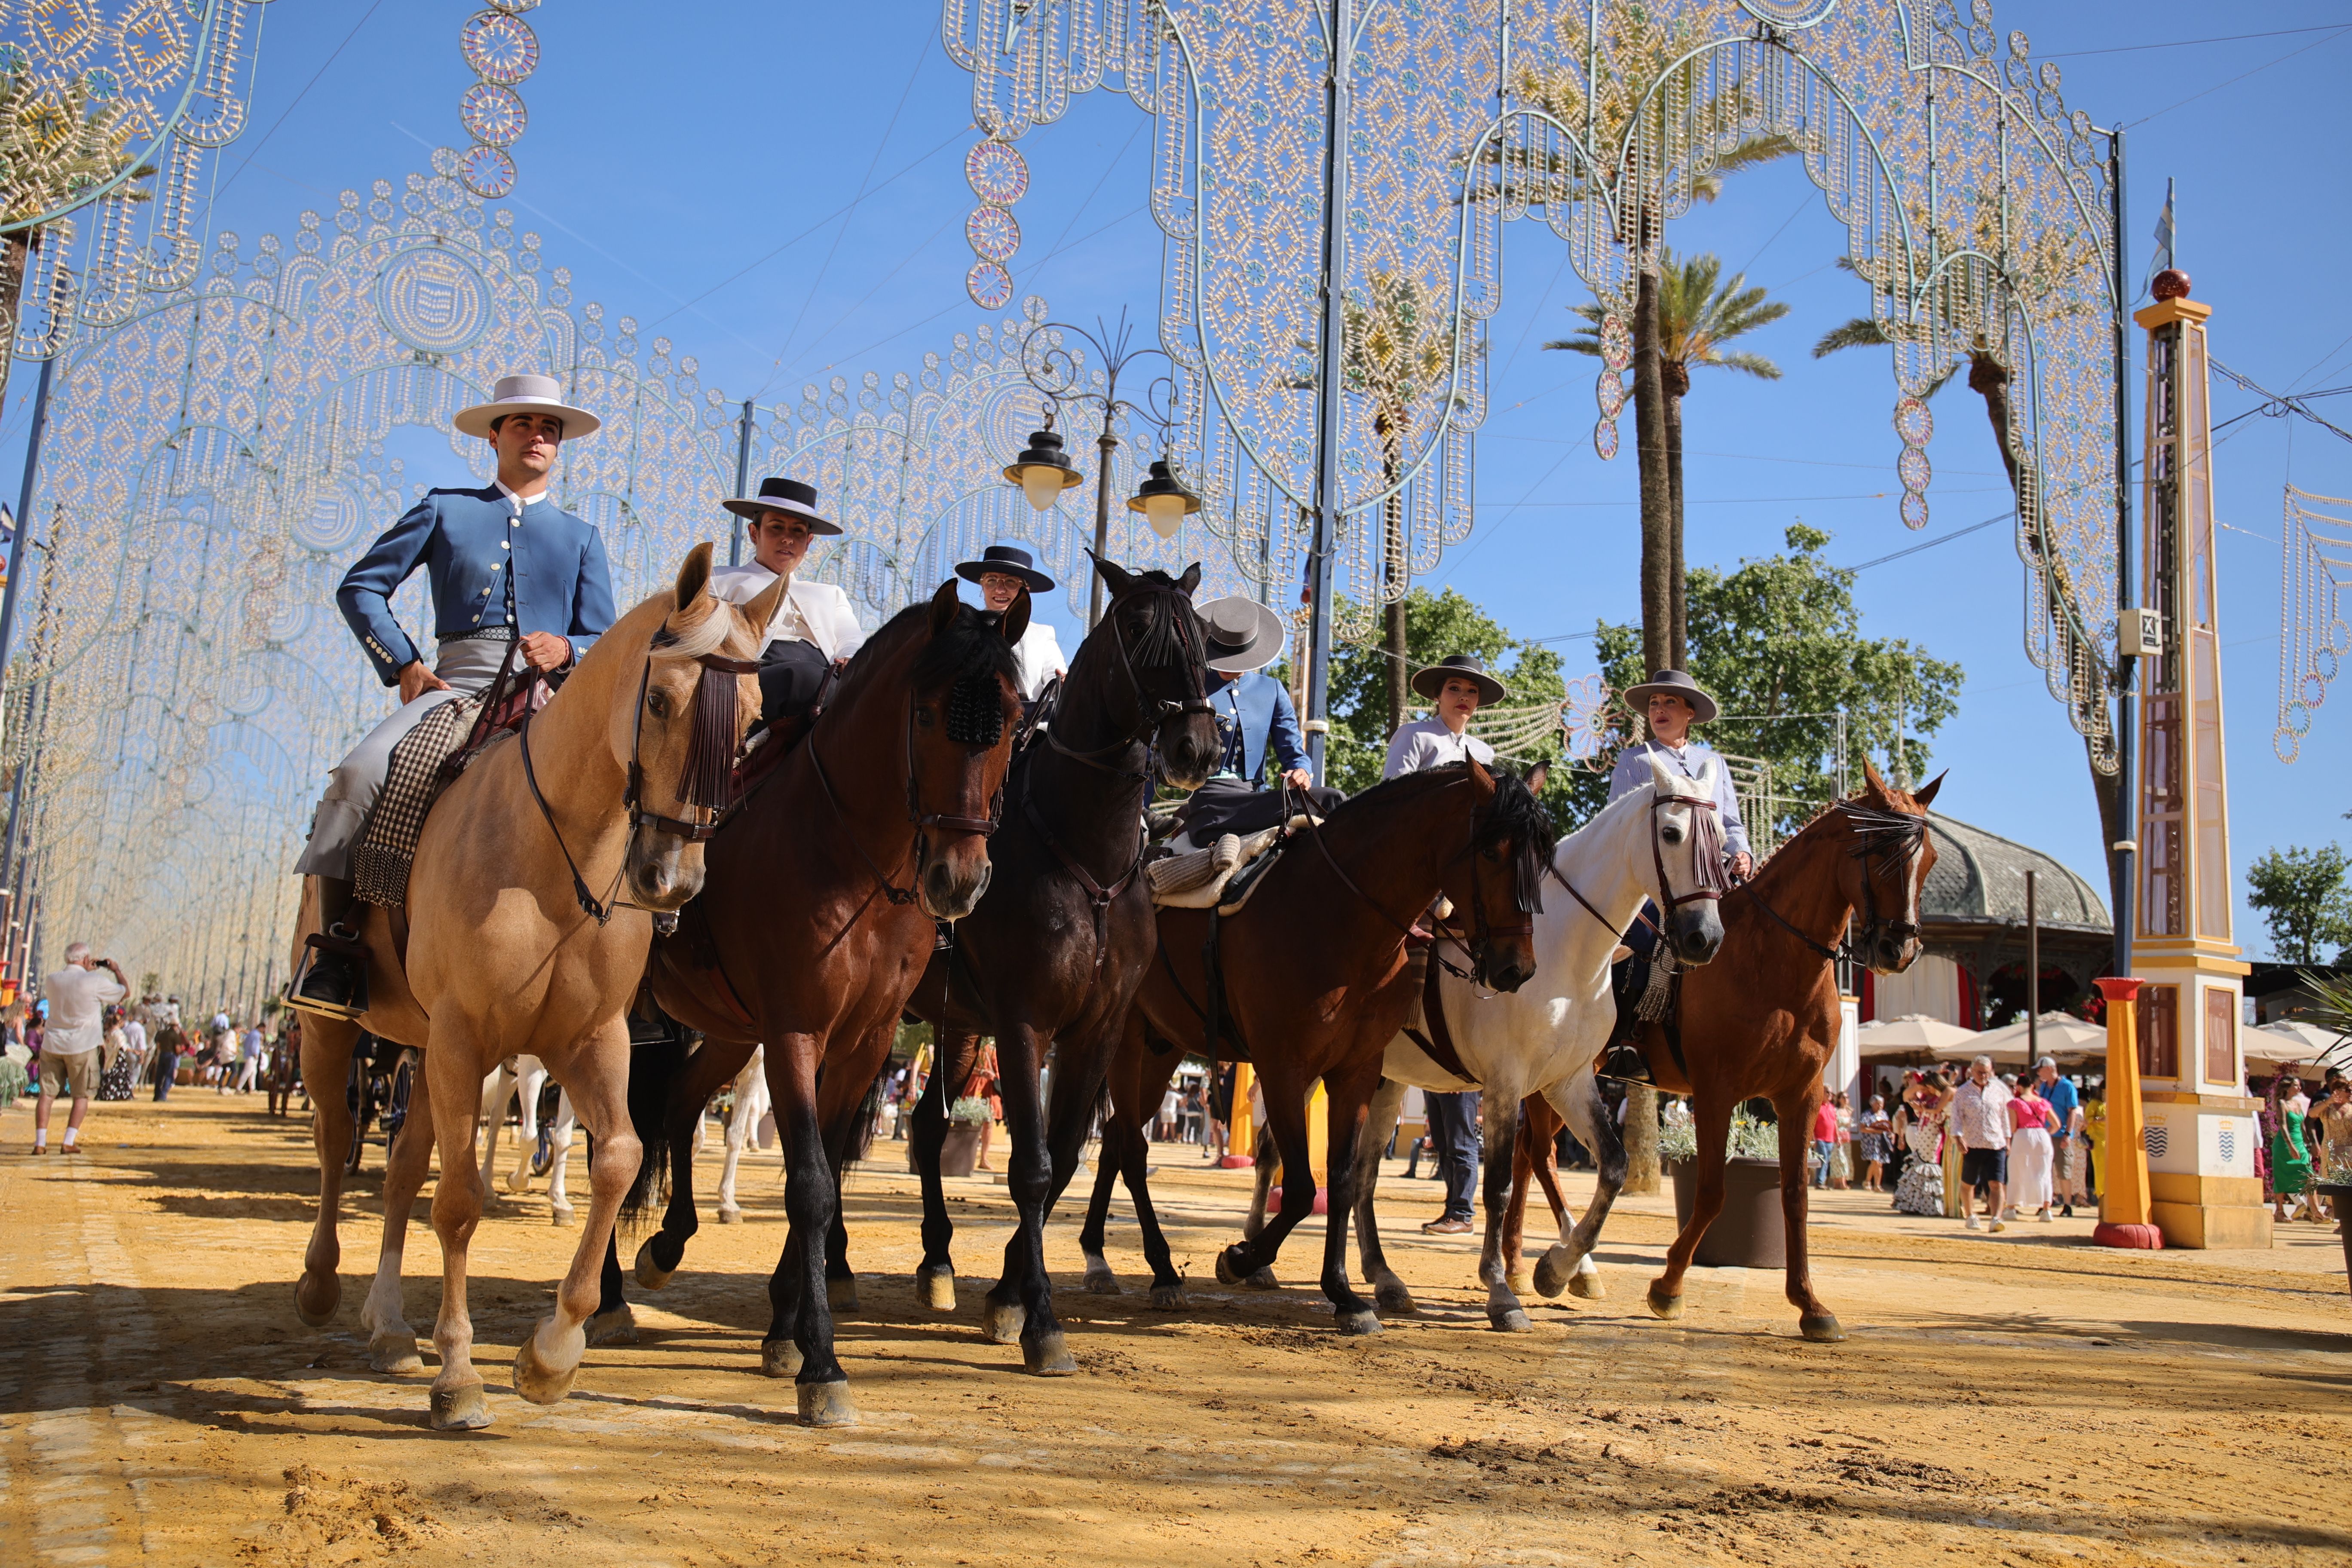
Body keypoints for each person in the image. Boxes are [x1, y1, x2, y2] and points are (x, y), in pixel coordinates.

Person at [290, 374, 615, 1019]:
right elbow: (360, 588)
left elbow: (602, 632)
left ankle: (629, 972)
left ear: (559, 447)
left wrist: (571, 651)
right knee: (357, 776)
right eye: (523, 424)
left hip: (546, 701)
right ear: (494, 436)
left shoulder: (582, 537)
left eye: (549, 429)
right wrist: (405, 663)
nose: (538, 436)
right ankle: (340, 948)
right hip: (457, 687)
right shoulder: (445, 507)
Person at [1597, 669, 1749, 1085]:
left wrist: (1743, 852)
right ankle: (1625, 1039)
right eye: (1654, 704)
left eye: (1669, 703)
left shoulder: (1712, 763)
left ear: (1690, 713)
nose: (1659, 711)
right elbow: (1618, 819)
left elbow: (1732, 823)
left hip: (1710, 878)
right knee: (1643, 937)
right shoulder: (1636, 761)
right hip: (1655, 880)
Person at [1174, 597, 1344, 844]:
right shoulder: (1192, 686)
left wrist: (1302, 771)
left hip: (1256, 800)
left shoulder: (1272, 690)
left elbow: (1293, 751)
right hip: (1210, 803)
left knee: (1331, 799)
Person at [707, 475, 865, 734]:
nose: (788, 539)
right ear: (754, 533)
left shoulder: (830, 594)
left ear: (809, 541)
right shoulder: (720, 580)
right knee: (804, 677)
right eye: (777, 528)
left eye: (798, 532)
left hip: (825, 683)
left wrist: (851, 658)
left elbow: (851, 638)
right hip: (750, 681)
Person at [33, 943, 128, 1154]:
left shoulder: (53, 979)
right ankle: (68, 1141)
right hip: (82, 1046)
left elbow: (73, 986)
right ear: (86, 960)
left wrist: (86, 971)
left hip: (53, 1043)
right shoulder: (94, 981)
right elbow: (124, 993)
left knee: (47, 1095)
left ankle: (40, 1143)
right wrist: (116, 971)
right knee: (81, 1095)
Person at [953, 543, 1063, 699]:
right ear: (982, 585)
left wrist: (1064, 681)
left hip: (1028, 721)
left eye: (1011, 582)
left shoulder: (1043, 634)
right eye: (991, 581)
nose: (1000, 590)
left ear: (1025, 590)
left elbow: (1056, 677)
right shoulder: (964, 630)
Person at [1383, 653, 1504, 779]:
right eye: (1454, 688)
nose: (1464, 697)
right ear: (1437, 696)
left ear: (1478, 701)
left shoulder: (1484, 752)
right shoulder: (1414, 735)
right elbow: (1393, 794)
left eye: (1472, 691)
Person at [1950, 1054, 2014, 1232]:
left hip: (1996, 1143)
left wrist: (2008, 1139)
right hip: (1973, 1143)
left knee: (1997, 1183)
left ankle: (1996, 1218)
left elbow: (2004, 1116)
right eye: (1980, 1072)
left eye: (1987, 1073)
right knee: (1969, 1183)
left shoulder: (1998, 1091)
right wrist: (1958, 1136)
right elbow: (1956, 1117)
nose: (1984, 1076)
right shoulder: (1963, 1092)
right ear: (1972, 1071)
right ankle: (1970, 1216)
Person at [1891, 1074, 1947, 1216]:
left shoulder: (1941, 1098)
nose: (1926, 1090)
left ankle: (1929, 1205)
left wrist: (1923, 1110)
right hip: (1923, 1131)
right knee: (1919, 1162)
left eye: (1928, 1087)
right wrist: (1918, 1086)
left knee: (1928, 1163)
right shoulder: (1926, 1098)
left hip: (1933, 1133)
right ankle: (1916, 1204)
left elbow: (1940, 1117)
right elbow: (1906, 1097)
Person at [2032, 1057, 2082, 1215]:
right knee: (2044, 1169)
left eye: (2040, 1069)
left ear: (2049, 1068)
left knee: (2063, 1169)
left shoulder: (2067, 1087)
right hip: (2046, 1134)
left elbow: (2072, 1111)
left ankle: (2067, 1205)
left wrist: (2068, 1134)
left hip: (2061, 1135)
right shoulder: (2044, 1087)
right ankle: (2046, 1201)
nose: (2038, 1072)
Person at [2006, 1077, 2057, 1221]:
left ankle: (2011, 1208)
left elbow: (2013, 1127)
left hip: (2023, 1135)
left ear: (2018, 1087)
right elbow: (2057, 1124)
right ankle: (2046, 1210)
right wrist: (2045, 1132)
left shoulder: (2015, 1103)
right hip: (2042, 1135)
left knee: (2017, 1170)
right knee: (2044, 1172)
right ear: (2033, 1086)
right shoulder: (2043, 1102)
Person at [1856, 1094, 1893, 1193]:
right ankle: (1868, 1181)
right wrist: (1876, 1131)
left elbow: (1888, 1127)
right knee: (1875, 1161)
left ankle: (1877, 1185)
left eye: (1882, 1104)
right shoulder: (1867, 1114)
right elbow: (1862, 1128)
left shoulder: (1884, 1114)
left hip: (1882, 1141)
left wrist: (1891, 1135)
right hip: (1870, 1142)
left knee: (1880, 1163)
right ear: (1872, 1104)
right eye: (1878, 1104)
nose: (1880, 1106)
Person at [1809, 1095, 1838, 1190]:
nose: (1830, 1094)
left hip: (1830, 1139)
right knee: (1823, 1158)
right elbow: (1812, 1122)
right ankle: (1820, 1182)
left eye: (1831, 1092)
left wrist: (1838, 1137)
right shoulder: (1817, 1106)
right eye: (1827, 1092)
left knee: (1827, 1160)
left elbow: (1835, 1123)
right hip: (1820, 1138)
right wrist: (1813, 1138)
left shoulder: (1832, 1107)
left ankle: (1821, 1182)